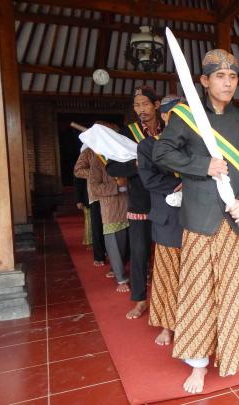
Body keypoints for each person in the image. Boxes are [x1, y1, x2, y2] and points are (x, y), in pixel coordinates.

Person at [152, 49, 239, 393]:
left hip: (235, 220)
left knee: (236, 292)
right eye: (220, 76)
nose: (227, 83)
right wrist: (202, 165)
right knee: (199, 292)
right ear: (204, 81)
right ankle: (198, 363)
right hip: (200, 219)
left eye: (233, 77)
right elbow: (162, 153)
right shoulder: (185, 116)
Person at [106, 86, 162, 320]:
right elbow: (112, 167)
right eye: (137, 105)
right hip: (140, 203)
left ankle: (166, 300)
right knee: (139, 254)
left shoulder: (169, 128)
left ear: (156, 105)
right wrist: (137, 166)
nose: (141, 109)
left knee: (166, 255)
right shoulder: (128, 134)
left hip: (168, 202)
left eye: (145, 104)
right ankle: (140, 301)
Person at [137, 95, 183, 346]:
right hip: (167, 218)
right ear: (164, 116)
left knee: (193, 274)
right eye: (175, 113)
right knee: (167, 274)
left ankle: (192, 322)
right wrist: (181, 183)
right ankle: (166, 325)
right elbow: (149, 180)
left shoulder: (196, 144)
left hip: (196, 216)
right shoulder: (148, 146)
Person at [89, 148, 129, 292]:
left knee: (125, 245)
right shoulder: (97, 160)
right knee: (114, 245)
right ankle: (121, 278)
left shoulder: (123, 154)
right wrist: (116, 186)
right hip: (111, 208)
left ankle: (115, 268)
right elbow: (94, 188)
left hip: (129, 205)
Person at [74, 147, 107, 266]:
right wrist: (96, 172)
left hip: (114, 193)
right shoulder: (88, 151)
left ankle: (110, 251)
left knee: (113, 226)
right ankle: (99, 256)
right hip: (96, 194)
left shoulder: (111, 147)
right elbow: (78, 171)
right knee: (97, 226)